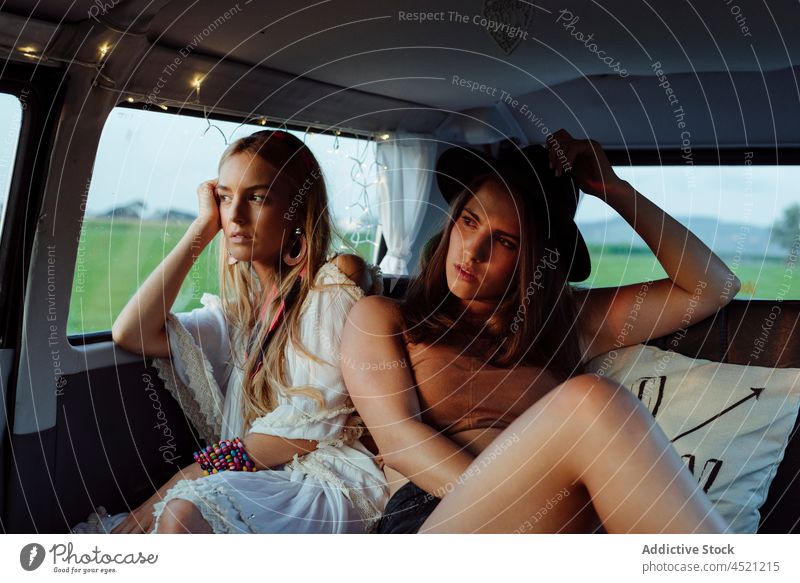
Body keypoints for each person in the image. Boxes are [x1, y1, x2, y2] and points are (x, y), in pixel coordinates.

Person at [341, 129, 740, 534]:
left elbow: (713, 287)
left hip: (559, 523)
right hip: (437, 515)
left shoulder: (568, 324)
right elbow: (399, 440)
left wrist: (615, 190)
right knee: (593, 402)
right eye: (469, 221)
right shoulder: (385, 317)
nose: (472, 251)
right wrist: (521, 504)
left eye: (505, 242)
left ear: (534, 262)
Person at [100, 129, 388, 534]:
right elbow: (131, 332)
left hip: (325, 478)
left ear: (296, 209)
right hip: (258, 475)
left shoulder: (334, 280)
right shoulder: (238, 319)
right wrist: (202, 227)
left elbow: (308, 429)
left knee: (181, 511)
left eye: (256, 197)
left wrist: (177, 483)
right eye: (225, 197)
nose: (234, 217)